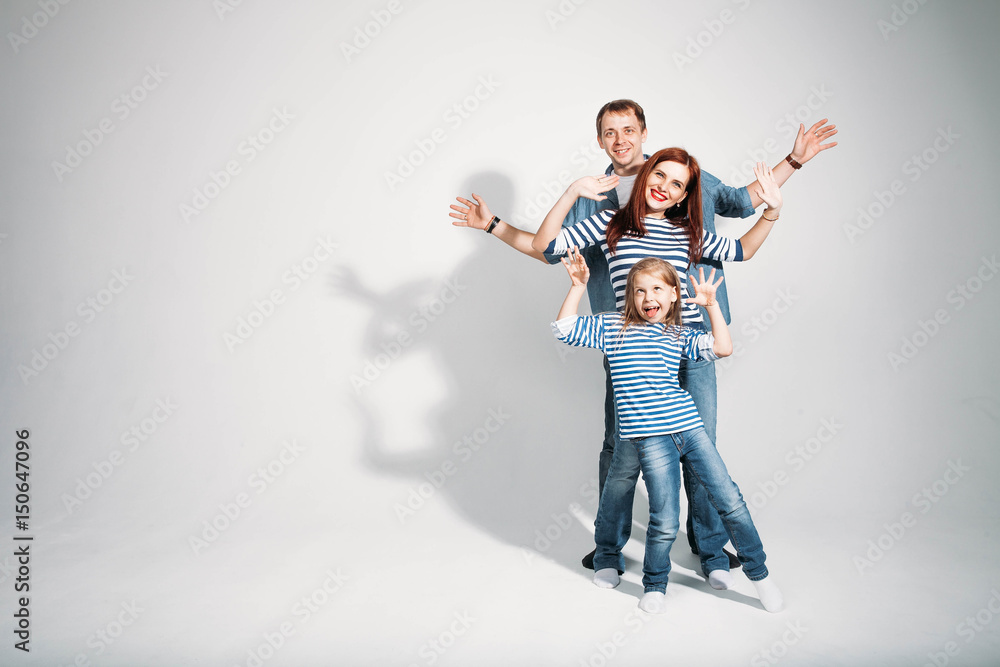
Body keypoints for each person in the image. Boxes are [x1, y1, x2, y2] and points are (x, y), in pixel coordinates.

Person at [451, 100, 837, 574]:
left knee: (699, 441)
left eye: (628, 129)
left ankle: (710, 548)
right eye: (610, 132)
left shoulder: (680, 183)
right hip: (628, 339)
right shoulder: (600, 202)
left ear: (644, 133)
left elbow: (741, 206)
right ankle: (608, 546)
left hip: (691, 330)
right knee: (620, 444)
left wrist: (793, 162)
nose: (621, 140)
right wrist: (494, 223)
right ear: (600, 140)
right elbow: (547, 249)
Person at [553, 252, 783, 613]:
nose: (649, 298)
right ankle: (654, 584)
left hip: (689, 428)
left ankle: (761, 576)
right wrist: (578, 286)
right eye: (639, 291)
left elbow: (723, 347)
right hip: (651, 437)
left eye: (657, 289)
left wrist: (712, 308)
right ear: (630, 296)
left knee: (731, 501)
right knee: (665, 517)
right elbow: (564, 330)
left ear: (674, 294)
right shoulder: (612, 326)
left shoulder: (678, 334)